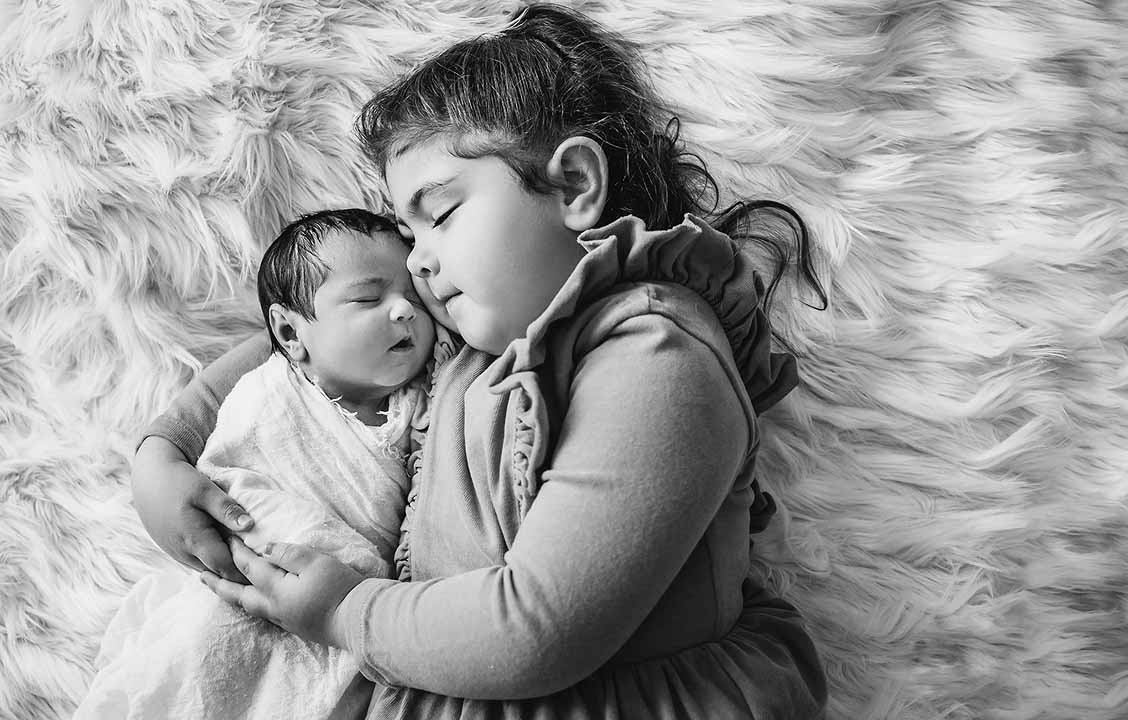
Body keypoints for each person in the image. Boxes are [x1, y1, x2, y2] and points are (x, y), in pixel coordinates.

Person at [133, 4, 831, 717]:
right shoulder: (468, 335)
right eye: (405, 235)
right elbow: (308, 338)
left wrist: (345, 613)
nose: (420, 262)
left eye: (438, 214)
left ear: (573, 186)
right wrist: (164, 452)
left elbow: (538, 630)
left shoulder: (657, 353)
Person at [76, 209, 440, 720]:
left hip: (352, 619)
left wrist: (360, 597)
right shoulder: (271, 395)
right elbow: (234, 483)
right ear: (292, 335)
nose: (404, 310)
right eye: (368, 298)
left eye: (413, 295)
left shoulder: (429, 395)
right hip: (251, 590)